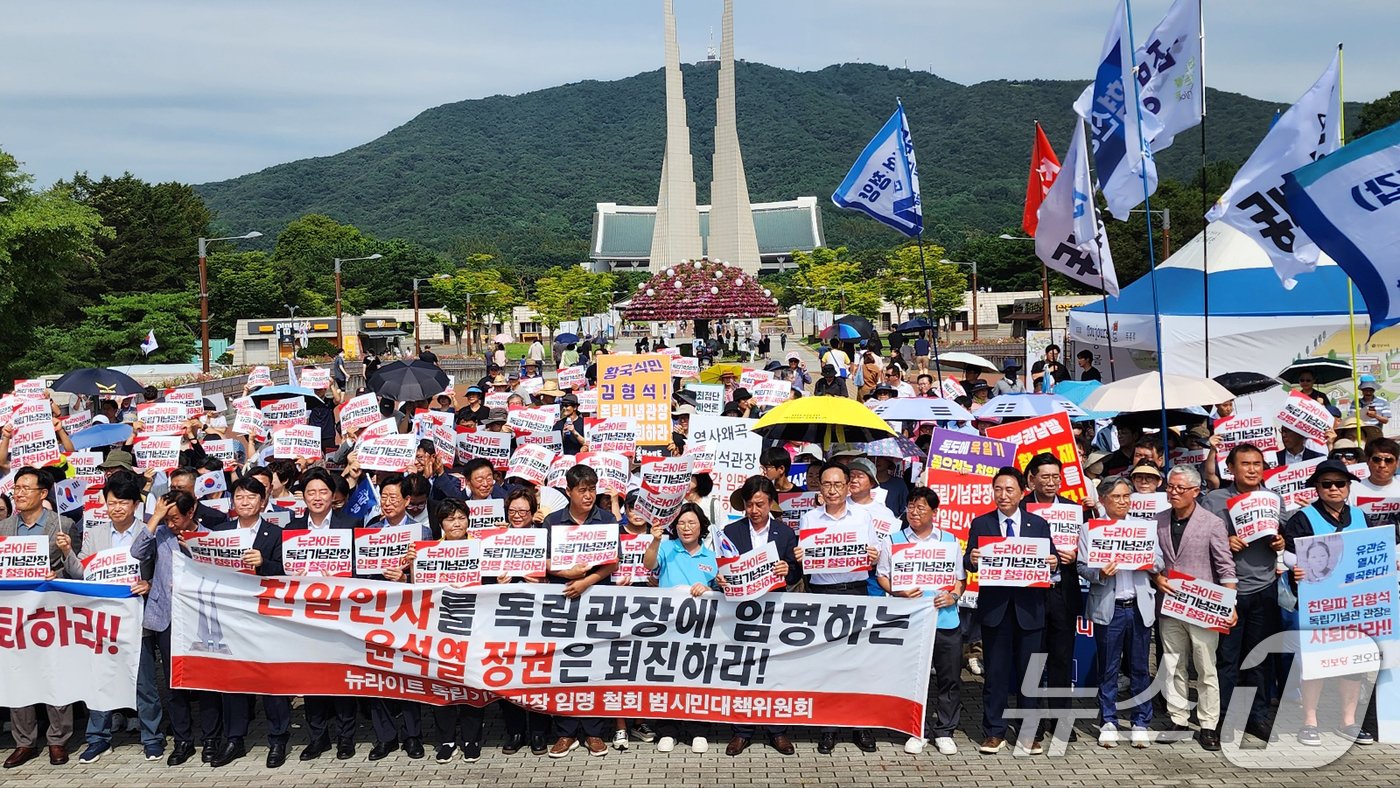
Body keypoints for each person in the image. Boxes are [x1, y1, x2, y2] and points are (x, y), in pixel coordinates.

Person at [1281, 459, 1377, 746]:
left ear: (1348, 487)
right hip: (1318, 602)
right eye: (1327, 484)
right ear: (1317, 488)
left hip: (1353, 603)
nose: (1334, 488)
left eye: (1340, 483)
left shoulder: (1360, 516)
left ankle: (1348, 721)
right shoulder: (1304, 517)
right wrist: (1296, 566)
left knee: (1352, 661)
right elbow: (1288, 552)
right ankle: (1310, 720)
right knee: (1316, 661)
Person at [964, 467, 1057, 755]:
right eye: (998, 489)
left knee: (1030, 675)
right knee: (996, 675)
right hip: (996, 610)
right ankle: (994, 732)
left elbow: (1051, 562)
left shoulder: (1038, 524)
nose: (1003, 495)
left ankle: (1030, 733)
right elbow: (968, 561)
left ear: (1022, 492)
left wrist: (1052, 563)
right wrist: (973, 558)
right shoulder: (982, 524)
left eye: (1009, 490)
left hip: (1030, 610)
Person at [1199, 443, 1286, 742]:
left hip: (1265, 587)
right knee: (1226, 659)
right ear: (1230, 469)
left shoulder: (1273, 498)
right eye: (1245, 464)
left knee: (1260, 658)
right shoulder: (1214, 500)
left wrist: (1280, 542)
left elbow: (1284, 532)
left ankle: (1257, 717)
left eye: (1257, 464)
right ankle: (1220, 717)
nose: (1252, 469)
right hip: (1227, 590)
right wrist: (1225, 539)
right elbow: (1199, 540)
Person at [1, 467, 82, 769]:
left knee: (54, 675)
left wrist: (55, 574)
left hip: (51, 614)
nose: (18, 494)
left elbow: (73, 570)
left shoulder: (63, 525)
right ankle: (24, 742)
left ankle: (58, 739)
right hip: (16, 615)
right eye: (16, 488)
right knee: (18, 674)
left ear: (43, 493)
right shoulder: (4, 526)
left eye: (25, 488)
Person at [876, 486, 966, 756]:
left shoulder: (950, 541)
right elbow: (882, 575)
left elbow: (960, 580)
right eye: (911, 506)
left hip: (944, 620)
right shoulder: (893, 540)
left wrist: (953, 596)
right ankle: (917, 729)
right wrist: (896, 591)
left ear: (934, 512)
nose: (914, 512)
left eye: (921, 507)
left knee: (949, 677)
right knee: (915, 679)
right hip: (910, 621)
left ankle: (945, 730)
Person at [205, 476, 288, 768]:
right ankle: (234, 738)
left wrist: (264, 564)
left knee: (271, 680)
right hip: (231, 616)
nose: (245, 502)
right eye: (239, 496)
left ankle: (278, 739)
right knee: (233, 679)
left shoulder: (276, 533)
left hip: (265, 616)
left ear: (263, 501)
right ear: (232, 501)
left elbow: (288, 574)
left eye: (251, 497)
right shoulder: (220, 531)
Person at [1155, 465, 1236, 752]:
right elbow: (1155, 559)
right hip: (1170, 604)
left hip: (1203, 605)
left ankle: (1208, 725)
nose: (1173, 492)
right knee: (1174, 663)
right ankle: (1178, 718)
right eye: (1169, 487)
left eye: (1179, 488)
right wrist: (1157, 577)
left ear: (1195, 491)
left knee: (1205, 667)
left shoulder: (1212, 523)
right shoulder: (1159, 520)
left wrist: (1230, 603)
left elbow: (1226, 567)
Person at [76, 474, 157, 764]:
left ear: (136, 504)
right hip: (102, 622)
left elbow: (160, 570)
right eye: (111, 503)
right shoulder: (95, 534)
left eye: (123, 502)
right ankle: (98, 739)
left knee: (144, 684)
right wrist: (64, 552)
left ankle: (152, 738)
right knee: (100, 682)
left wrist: (149, 584)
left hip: (137, 621)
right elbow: (80, 571)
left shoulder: (147, 531)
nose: (117, 508)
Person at [800, 462, 879, 754]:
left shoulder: (863, 516)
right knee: (826, 664)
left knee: (857, 663)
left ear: (848, 486)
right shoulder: (809, 518)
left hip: (855, 592)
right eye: (827, 484)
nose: (832, 490)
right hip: (821, 593)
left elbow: (873, 555)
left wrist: (873, 554)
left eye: (838, 484)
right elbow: (806, 557)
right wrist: (800, 554)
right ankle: (828, 727)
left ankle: (861, 726)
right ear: (820, 488)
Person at [542, 465, 618, 757]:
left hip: (597, 601)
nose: (588, 495)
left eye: (592, 489)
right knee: (564, 667)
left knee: (594, 665)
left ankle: (594, 732)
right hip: (562, 601)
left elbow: (613, 563)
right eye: (582, 490)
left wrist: (585, 581)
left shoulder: (606, 519)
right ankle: (565, 732)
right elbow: (543, 560)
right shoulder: (552, 521)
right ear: (569, 492)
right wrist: (566, 573)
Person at [1077, 476, 1158, 748]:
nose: (1123, 502)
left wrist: (1145, 560)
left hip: (1139, 606)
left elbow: (1158, 562)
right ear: (1103, 500)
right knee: (1108, 669)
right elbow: (1081, 566)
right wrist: (1099, 572)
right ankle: (1108, 721)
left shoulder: (1143, 528)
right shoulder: (1091, 529)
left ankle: (1140, 722)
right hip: (1109, 607)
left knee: (1140, 669)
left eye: (1126, 496)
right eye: (1116, 497)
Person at [288, 469, 361, 761]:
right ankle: (317, 737)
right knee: (313, 677)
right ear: (303, 497)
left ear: (333, 496)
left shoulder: (351, 525)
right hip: (306, 614)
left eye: (323, 492)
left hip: (341, 612)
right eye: (311, 493)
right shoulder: (291, 529)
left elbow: (362, 569)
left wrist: (344, 573)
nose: (317, 498)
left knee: (343, 676)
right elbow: (282, 572)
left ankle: (346, 738)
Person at [642, 502, 719, 755]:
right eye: (681, 523)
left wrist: (709, 589)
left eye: (692, 523)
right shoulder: (666, 548)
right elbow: (649, 565)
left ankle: (698, 730)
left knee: (698, 679)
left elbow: (720, 589)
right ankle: (667, 730)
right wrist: (654, 541)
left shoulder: (711, 555)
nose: (686, 528)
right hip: (668, 626)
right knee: (666, 678)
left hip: (700, 628)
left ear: (701, 527)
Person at [1020, 453, 1083, 744]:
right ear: (1031, 477)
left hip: (1063, 593)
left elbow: (1091, 551)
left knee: (1060, 659)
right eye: (1045, 476)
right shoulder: (1020, 508)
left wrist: (1075, 557)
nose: (1051, 482)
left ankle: (1060, 721)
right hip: (1030, 596)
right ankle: (1029, 721)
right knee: (1032, 659)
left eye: (1056, 476)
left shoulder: (1074, 509)